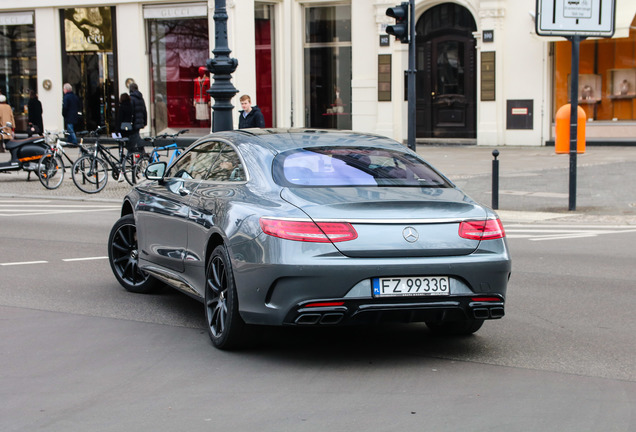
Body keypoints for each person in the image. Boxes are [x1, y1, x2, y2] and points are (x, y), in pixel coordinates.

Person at [128, 82, 147, 151]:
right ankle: (141, 151)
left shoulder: (131, 98)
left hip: (134, 122)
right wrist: (145, 122)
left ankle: (140, 152)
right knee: (136, 136)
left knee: (134, 138)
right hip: (139, 122)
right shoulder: (141, 98)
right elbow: (144, 111)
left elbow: (130, 112)